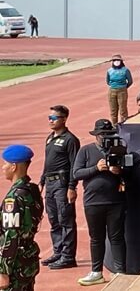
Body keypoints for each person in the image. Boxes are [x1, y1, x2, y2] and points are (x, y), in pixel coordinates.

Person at [73, 119, 128, 286]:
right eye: (103, 134)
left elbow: (129, 172)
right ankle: (96, 271)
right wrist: (96, 168)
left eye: (109, 134)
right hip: (93, 202)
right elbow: (76, 173)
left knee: (116, 237)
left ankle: (120, 272)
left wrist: (118, 171)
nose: (105, 137)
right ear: (96, 135)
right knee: (96, 238)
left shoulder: (118, 149)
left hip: (115, 201)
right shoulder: (86, 150)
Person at [39, 105, 80, 270]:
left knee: (66, 219)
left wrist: (72, 187)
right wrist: (42, 181)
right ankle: (58, 251)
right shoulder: (50, 138)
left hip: (62, 184)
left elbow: (74, 165)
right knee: (54, 219)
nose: (51, 121)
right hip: (50, 183)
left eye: (54, 118)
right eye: (49, 118)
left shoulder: (70, 140)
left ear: (64, 119)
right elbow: (47, 162)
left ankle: (68, 256)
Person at [0, 145, 43, 291]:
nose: (3, 167)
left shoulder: (13, 198)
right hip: (28, 257)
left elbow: (10, 235)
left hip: (15, 263)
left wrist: (3, 271)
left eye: (5, 163)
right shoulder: (32, 190)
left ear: (13, 167)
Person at [106, 55, 132, 126]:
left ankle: (124, 125)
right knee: (113, 110)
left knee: (123, 109)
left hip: (122, 91)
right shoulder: (109, 71)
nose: (116, 62)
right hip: (112, 91)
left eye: (118, 60)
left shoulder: (125, 70)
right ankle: (114, 125)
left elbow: (130, 81)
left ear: (121, 61)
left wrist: (124, 87)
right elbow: (108, 81)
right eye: (114, 60)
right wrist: (114, 86)